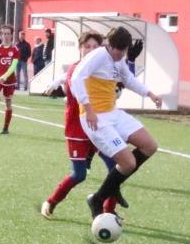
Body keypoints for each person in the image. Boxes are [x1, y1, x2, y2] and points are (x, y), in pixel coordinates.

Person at [70, 26, 163, 219]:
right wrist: (88, 109)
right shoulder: (97, 56)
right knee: (128, 163)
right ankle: (98, 199)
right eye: (117, 50)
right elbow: (76, 79)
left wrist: (150, 94)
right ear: (108, 45)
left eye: (124, 51)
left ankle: (110, 187)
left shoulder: (119, 58)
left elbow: (128, 79)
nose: (120, 55)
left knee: (150, 146)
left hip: (113, 113)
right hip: (96, 118)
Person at [42, 31, 122, 219]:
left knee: (117, 169)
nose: (91, 50)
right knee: (79, 175)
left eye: (95, 47)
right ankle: (51, 202)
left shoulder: (105, 70)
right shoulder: (75, 70)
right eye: (87, 47)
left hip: (97, 128)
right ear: (80, 49)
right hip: (77, 129)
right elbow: (77, 89)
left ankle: (109, 212)